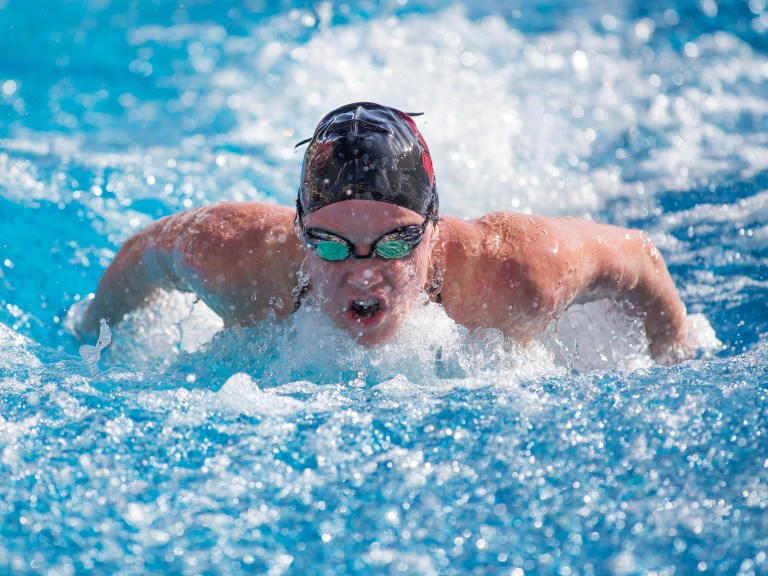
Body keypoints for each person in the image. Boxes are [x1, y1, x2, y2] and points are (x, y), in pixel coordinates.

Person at [72, 102, 691, 364]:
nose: (362, 273)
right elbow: (143, 253)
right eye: (331, 244)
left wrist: (673, 359)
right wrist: (86, 331)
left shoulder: (517, 274)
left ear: (432, 227)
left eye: (395, 242)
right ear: (298, 231)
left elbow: (642, 259)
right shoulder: (237, 260)